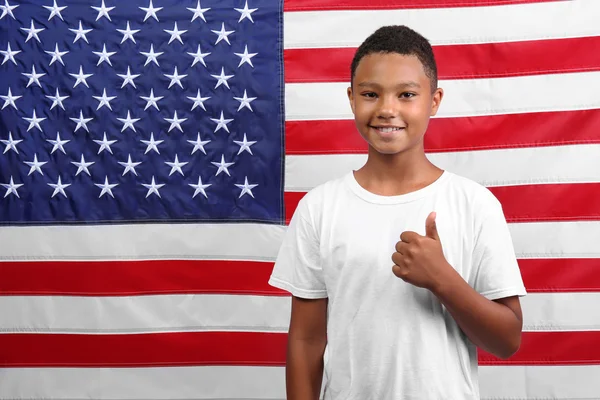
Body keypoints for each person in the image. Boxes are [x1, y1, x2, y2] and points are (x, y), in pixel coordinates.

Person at [268, 25, 527, 399]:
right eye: (371, 94)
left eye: (406, 94)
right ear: (352, 98)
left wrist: (443, 279)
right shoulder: (320, 208)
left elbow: (507, 341)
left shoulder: (474, 204)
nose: (387, 109)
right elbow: (307, 340)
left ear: (434, 101)